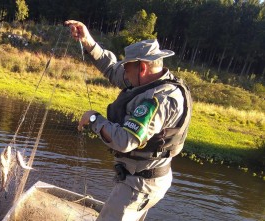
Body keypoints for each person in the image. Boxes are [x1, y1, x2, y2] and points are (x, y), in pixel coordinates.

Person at [65, 20, 192, 220]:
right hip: (146, 179)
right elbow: (112, 71)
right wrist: (88, 42)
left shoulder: (158, 100)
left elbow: (125, 141)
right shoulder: (151, 78)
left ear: (142, 68)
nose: (123, 73)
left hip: (139, 185)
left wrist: (94, 119)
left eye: (127, 69)